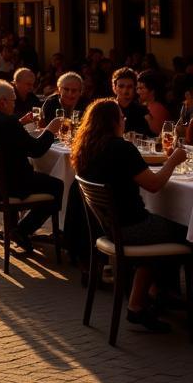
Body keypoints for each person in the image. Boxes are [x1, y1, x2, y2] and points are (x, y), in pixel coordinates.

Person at [72, 98, 189, 333]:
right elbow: (154, 185)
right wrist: (174, 161)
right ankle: (162, 295)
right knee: (186, 231)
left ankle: (145, 300)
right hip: (132, 228)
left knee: (167, 229)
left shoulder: (85, 147)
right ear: (113, 121)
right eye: (121, 117)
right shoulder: (120, 147)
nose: (124, 120)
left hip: (108, 227)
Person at [0, 79, 64, 255]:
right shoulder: (8, 122)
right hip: (10, 185)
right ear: (3, 102)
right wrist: (50, 130)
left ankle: (12, 228)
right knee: (57, 185)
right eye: (12, 100)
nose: (15, 103)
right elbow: (36, 150)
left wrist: (19, 123)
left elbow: (1, 134)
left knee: (43, 179)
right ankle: (22, 230)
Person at [112, 67, 153, 137]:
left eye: (130, 86)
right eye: (121, 86)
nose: (125, 90)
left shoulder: (142, 111)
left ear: (135, 88)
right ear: (114, 88)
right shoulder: (108, 109)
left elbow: (149, 137)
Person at [136, 70, 170, 135]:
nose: (138, 92)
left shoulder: (158, 108)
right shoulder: (145, 105)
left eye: (141, 88)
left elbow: (158, 132)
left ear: (152, 90)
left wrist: (146, 115)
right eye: (137, 88)